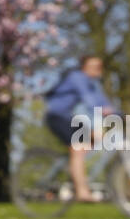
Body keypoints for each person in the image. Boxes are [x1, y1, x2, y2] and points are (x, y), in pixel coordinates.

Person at [44, 55, 116, 203]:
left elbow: (102, 102)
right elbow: (90, 101)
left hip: (68, 118)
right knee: (78, 149)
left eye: (99, 66)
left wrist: (120, 115)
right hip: (56, 117)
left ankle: (74, 171)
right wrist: (101, 116)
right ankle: (82, 192)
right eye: (93, 66)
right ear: (84, 67)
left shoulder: (92, 84)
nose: (97, 69)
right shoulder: (77, 77)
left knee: (95, 140)